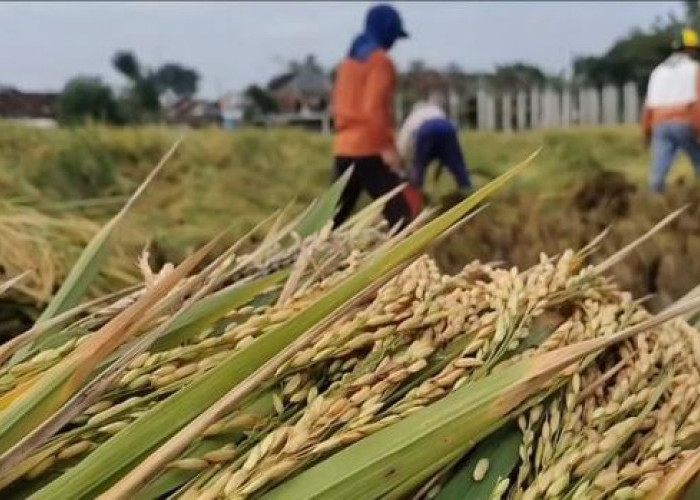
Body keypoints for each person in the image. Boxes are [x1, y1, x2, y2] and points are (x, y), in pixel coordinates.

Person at [331, 3, 423, 228]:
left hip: (343, 148)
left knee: (331, 219)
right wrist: (388, 149)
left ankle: (303, 258)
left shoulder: (348, 63)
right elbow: (375, 109)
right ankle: (404, 262)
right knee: (402, 215)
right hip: (368, 150)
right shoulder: (380, 62)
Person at [643, 28, 700, 193]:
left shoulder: (658, 71)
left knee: (659, 169)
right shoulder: (695, 69)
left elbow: (648, 107)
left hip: (659, 124)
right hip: (685, 121)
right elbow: (698, 102)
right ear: (690, 49)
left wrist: (646, 134)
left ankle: (653, 200)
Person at [397, 93, 473, 196]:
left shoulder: (412, 117)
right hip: (446, 127)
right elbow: (447, 145)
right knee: (457, 164)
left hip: (427, 130)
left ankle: (416, 195)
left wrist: (404, 166)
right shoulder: (437, 110)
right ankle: (468, 191)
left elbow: (404, 141)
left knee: (419, 166)